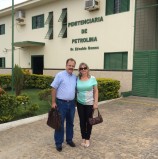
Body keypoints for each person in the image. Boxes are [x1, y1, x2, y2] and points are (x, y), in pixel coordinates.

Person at [50, 58, 77, 152]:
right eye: (69, 65)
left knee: (70, 123)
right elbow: (53, 88)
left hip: (72, 104)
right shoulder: (60, 75)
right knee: (59, 124)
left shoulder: (74, 77)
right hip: (61, 104)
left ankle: (69, 140)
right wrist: (53, 102)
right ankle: (58, 143)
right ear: (66, 65)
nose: (71, 67)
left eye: (73, 66)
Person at [76, 62, 98, 148]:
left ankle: (87, 138)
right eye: (81, 68)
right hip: (80, 103)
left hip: (89, 103)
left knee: (89, 121)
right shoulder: (77, 78)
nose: (83, 70)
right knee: (82, 121)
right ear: (79, 70)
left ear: (87, 69)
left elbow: (96, 91)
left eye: (85, 68)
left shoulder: (92, 78)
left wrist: (95, 103)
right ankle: (83, 137)